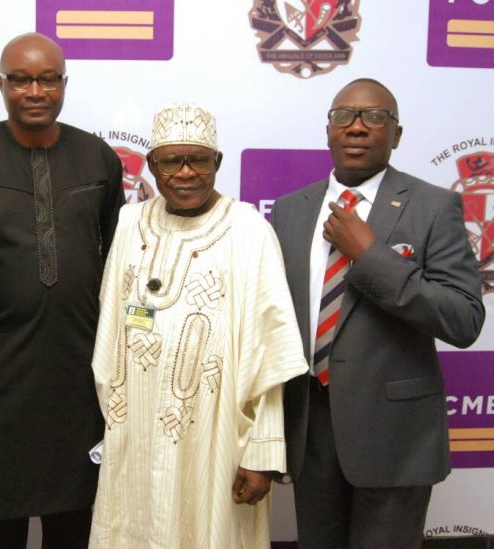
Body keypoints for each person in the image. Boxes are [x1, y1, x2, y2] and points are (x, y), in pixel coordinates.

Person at [0, 32, 124, 548]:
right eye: (20, 80)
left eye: (48, 79)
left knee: (75, 522)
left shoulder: (98, 157)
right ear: (1, 85)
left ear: (64, 84)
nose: (35, 91)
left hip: (80, 375)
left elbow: (120, 262)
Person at [270, 78, 485, 549]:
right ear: (329, 130)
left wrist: (370, 257)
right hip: (310, 431)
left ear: (397, 134)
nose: (357, 127)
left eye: (374, 117)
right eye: (343, 116)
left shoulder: (434, 207)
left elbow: (464, 319)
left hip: (394, 437)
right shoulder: (289, 211)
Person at [89, 103, 309, 548]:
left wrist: (263, 452)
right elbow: (109, 327)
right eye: (171, 160)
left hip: (217, 435)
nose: (185, 172)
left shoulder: (249, 230)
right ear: (153, 165)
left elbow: (271, 356)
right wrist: (114, 420)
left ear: (218, 163)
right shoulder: (130, 223)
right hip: (134, 432)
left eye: (199, 160)